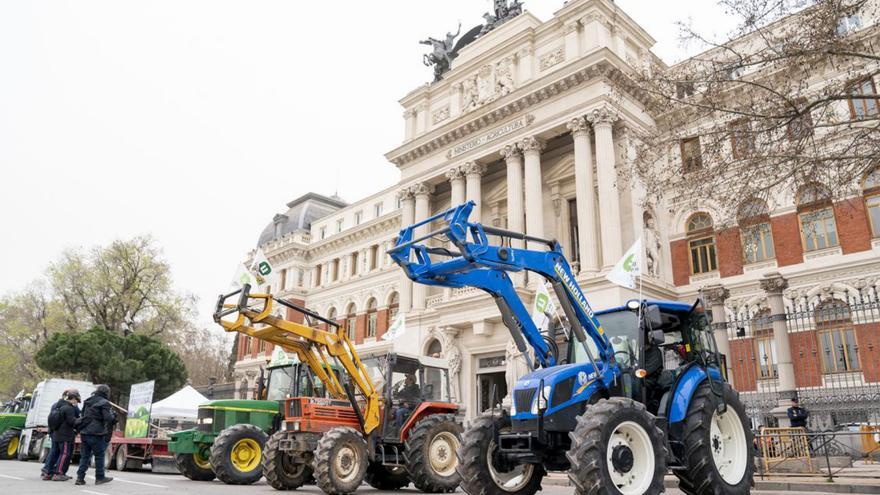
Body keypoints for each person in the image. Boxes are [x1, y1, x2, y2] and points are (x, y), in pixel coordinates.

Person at [75, 385, 115, 486]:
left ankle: (80, 478)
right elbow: (108, 418)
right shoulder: (105, 403)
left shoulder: (87, 401)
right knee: (99, 456)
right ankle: (100, 477)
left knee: (84, 456)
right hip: (97, 433)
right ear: (106, 393)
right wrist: (114, 416)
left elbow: (83, 415)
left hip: (84, 431)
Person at [41, 389, 81, 481]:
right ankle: (59, 473)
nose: (76, 402)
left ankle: (47, 472)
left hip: (55, 433)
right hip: (65, 435)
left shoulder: (57, 405)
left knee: (54, 453)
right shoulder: (69, 407)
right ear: (72, 398)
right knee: (65, 454)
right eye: (76, 400)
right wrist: (82, 420)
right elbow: (72, 421)